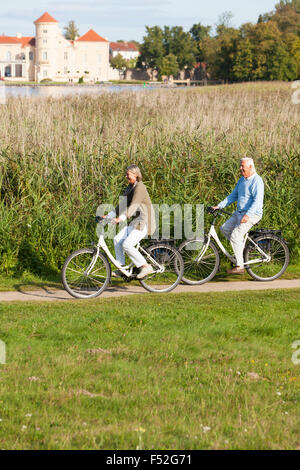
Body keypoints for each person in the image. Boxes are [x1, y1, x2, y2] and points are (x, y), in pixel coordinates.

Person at [212, 157, 264, 275]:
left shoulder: (257, 181)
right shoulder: (242, 180)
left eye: (242, 166)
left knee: (236, 235)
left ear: (250, 167)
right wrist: (219, 206)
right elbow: (233, 196)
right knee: (224, 228)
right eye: (240, 166)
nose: (240, 168)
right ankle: (240, 252)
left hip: (252, 214)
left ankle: (240, 266)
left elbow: (258, 201)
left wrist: (248, 215)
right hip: (239, 213)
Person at [106, 165, 156, 279]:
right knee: (117, 239)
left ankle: (145, 266)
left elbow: (134, 205)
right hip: (136, 222)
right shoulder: (130, 187)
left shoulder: (140, 187)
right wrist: (108, 216)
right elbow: (122, 205)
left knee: (127, 244)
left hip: (144, 222)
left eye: (128, 174)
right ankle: (122, 268)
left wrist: (120, 218)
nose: (126, 176)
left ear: (136, 175)